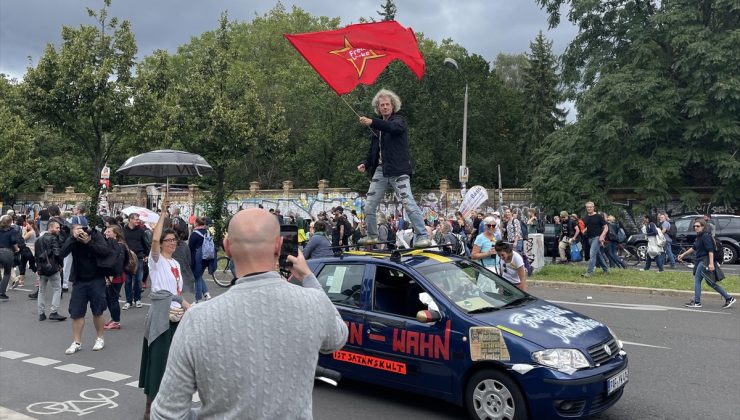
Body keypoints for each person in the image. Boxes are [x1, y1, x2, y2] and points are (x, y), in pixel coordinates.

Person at [150, 208, 348, 419]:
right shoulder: (312, 303)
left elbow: (165, 414)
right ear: (278, 246)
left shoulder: (198, 319)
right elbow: (338, 336)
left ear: (227, 248)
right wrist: (307, 276)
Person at [356, 89, 431, 248]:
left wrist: (372, 122)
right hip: (381, 171)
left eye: (387, 104)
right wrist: (366, 163)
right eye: (381, 105)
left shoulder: (399, 120)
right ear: (378, 107)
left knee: (408, 202)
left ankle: (423, 236)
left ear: (393, 106)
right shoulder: (377, 127)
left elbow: (393, 128)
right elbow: (373, 150)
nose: (384, 107)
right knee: (369, 205)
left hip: (398, 171)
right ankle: (372, 235)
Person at [139, 191, 192, 418]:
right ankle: (150, 406)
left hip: (177, 316)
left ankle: (169, 402)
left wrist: (187, 305)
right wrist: (162, 214)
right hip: (161, 316)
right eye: (167, 240)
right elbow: (153, 239)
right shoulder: (156, 260)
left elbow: (177, 292)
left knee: (175, 361)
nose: (171, 243)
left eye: (173, 240)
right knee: (159, 360)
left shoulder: (176, 265)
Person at [62, 222, 112, 354]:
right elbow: (62, 253)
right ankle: (76, 342)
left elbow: (105, 251)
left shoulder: (95, 235)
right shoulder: (72, 240)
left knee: (98, 310)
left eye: (82, 229)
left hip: (97, 279)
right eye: (77, 230)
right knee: (76, 312)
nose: (81, 232)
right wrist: (73, 238)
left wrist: (89, 242)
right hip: (79, 281)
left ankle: (99, 338)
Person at [678, 219, 735, 309]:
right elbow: (694, 248)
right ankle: (728, 297)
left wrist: (711, 264)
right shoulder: (699, 236)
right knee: (710, 283)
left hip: (705, 261)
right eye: (694, 226)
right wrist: (683, 255)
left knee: (697, 280)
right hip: (702, 260)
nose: (695, 228)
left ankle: (697, 302)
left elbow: (710, 250)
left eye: (698, 226)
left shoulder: (705, 236)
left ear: (703, 227)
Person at [34, 220, 67, 321]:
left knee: (41, 291)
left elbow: (36, 255)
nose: (59, 230)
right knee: (57, 289)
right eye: (57, 228)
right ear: (50, 227)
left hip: (42, 269)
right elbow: (57, 253)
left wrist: (38, 268)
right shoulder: (53, 239)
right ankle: (54, 311)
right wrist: (61, 265)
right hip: (52, 268)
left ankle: (41, 313)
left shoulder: (38, 240)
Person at [102, 225, 130, 330]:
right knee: (109, 298)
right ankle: (113, 318)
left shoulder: (119, 246)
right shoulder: (113, 244)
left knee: (113, 299)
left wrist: (111, 277)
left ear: (116, 234)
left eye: (109, 231)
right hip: (112, 275)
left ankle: (116, 321)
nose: (106, 232)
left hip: (115, 276)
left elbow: (117, 263)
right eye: (106, 230)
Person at [123, 212, 150, 309]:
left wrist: (146, 254)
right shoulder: (123, 230)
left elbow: (145, 243)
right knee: (128, 281)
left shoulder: (141, 230)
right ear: (130, 219)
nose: (138, 221)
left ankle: (137, 299)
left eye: (138, 219)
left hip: (139, 257)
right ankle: (128, 301)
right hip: (127, 257)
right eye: (136, 219)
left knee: (138, 280)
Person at [581, 202, 609, 277]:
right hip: (590, 238)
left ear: (593, 207)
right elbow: (589, 226)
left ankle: (589, 273)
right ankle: (606, 270)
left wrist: (602, 236)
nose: (589, 208)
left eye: (590, 207)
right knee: (598, 255)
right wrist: (584, 230)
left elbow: (606, 227)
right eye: (587, 207)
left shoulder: (598, 216)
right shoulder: (586, 217)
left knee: (592, 254)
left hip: (597, 238)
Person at [188, 217, 212, 303]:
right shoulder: (208, 232)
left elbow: (190, 248)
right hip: (207, 258)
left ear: (197, 224)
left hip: (197, 259)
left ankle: (198, 299)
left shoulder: (195, 234)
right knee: (199, 276)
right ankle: (206, 294)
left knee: (197, 277)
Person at [0, 215, 20, 299]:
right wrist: (17, 249)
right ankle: (1, 292)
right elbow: (14, 242)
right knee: (7, 273)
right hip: (7, 252)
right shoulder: (12, 231)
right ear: (10, 222)